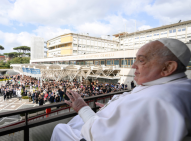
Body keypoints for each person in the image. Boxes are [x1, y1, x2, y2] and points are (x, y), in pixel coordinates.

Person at [51, 38, 191, 141]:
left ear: (167, 68)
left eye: (141, 60)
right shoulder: (179, 85)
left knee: (60, 129)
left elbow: (103, 136)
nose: (133, 66)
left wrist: (82, 107)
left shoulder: (155, 99)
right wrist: (112, 108)